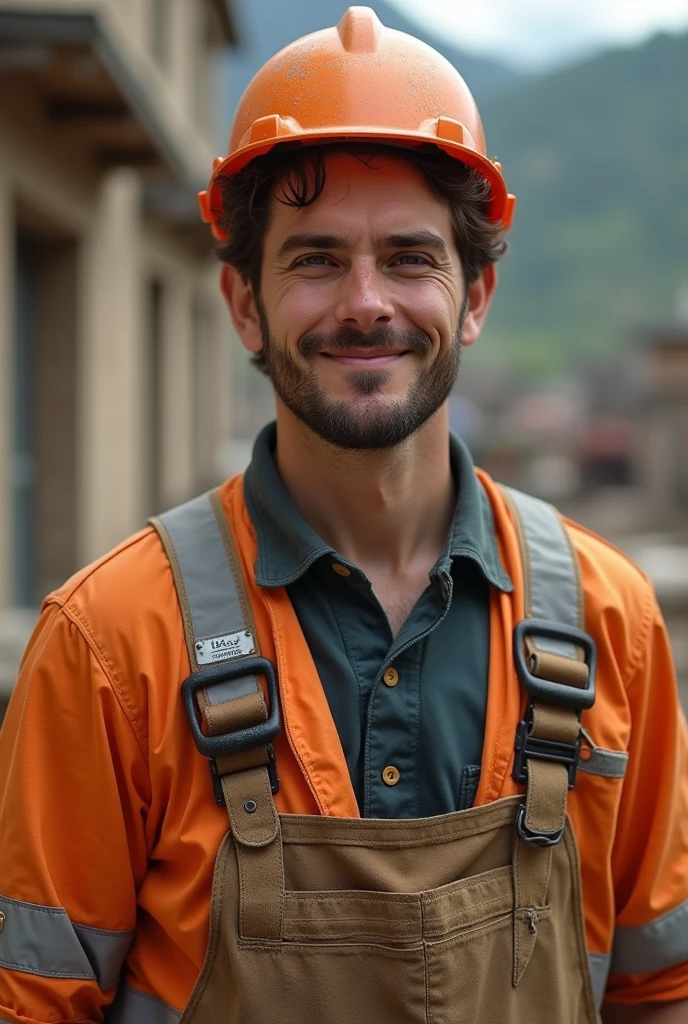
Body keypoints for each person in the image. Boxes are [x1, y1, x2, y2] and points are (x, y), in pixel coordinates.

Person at [1, 8, 687, 1023]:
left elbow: (658, 988)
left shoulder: (606, 618)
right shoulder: (110, 644)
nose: (365, 302)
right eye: (315, 259)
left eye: (409, 257)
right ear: (243, 303)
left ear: (476, 294)